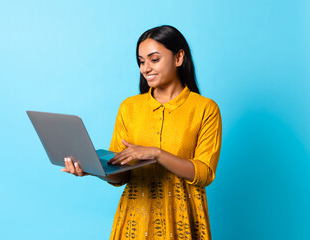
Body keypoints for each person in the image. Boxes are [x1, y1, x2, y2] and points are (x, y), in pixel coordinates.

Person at [62, 25, 222, 240]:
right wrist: (93, 169)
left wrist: (157, 154)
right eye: (141, 61)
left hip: (183, 220)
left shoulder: (204, 109)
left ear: (178, 57)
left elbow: (204, 173)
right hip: (135, 221)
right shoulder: (129, 107)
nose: (146, 68)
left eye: (154, 59)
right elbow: (121, 176)